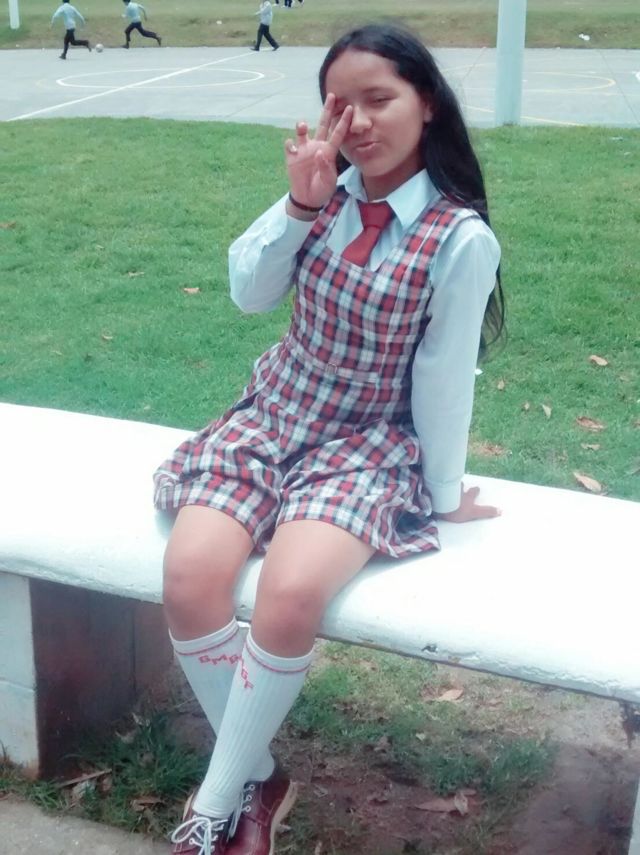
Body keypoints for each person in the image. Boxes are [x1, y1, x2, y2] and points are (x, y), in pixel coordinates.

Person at [154, 22, 504, 855]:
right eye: (340, 107)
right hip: (274, 414)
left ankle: (214, 805)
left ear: (427, 102)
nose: (359, 124)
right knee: (190, 576)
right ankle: (261, 778)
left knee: (288, 595)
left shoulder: (459, 238)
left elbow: (443, 379)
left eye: (380, 99)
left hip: (366, 443)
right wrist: (301, 204)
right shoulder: (325, 194)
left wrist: (442, 493)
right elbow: (249, 293)